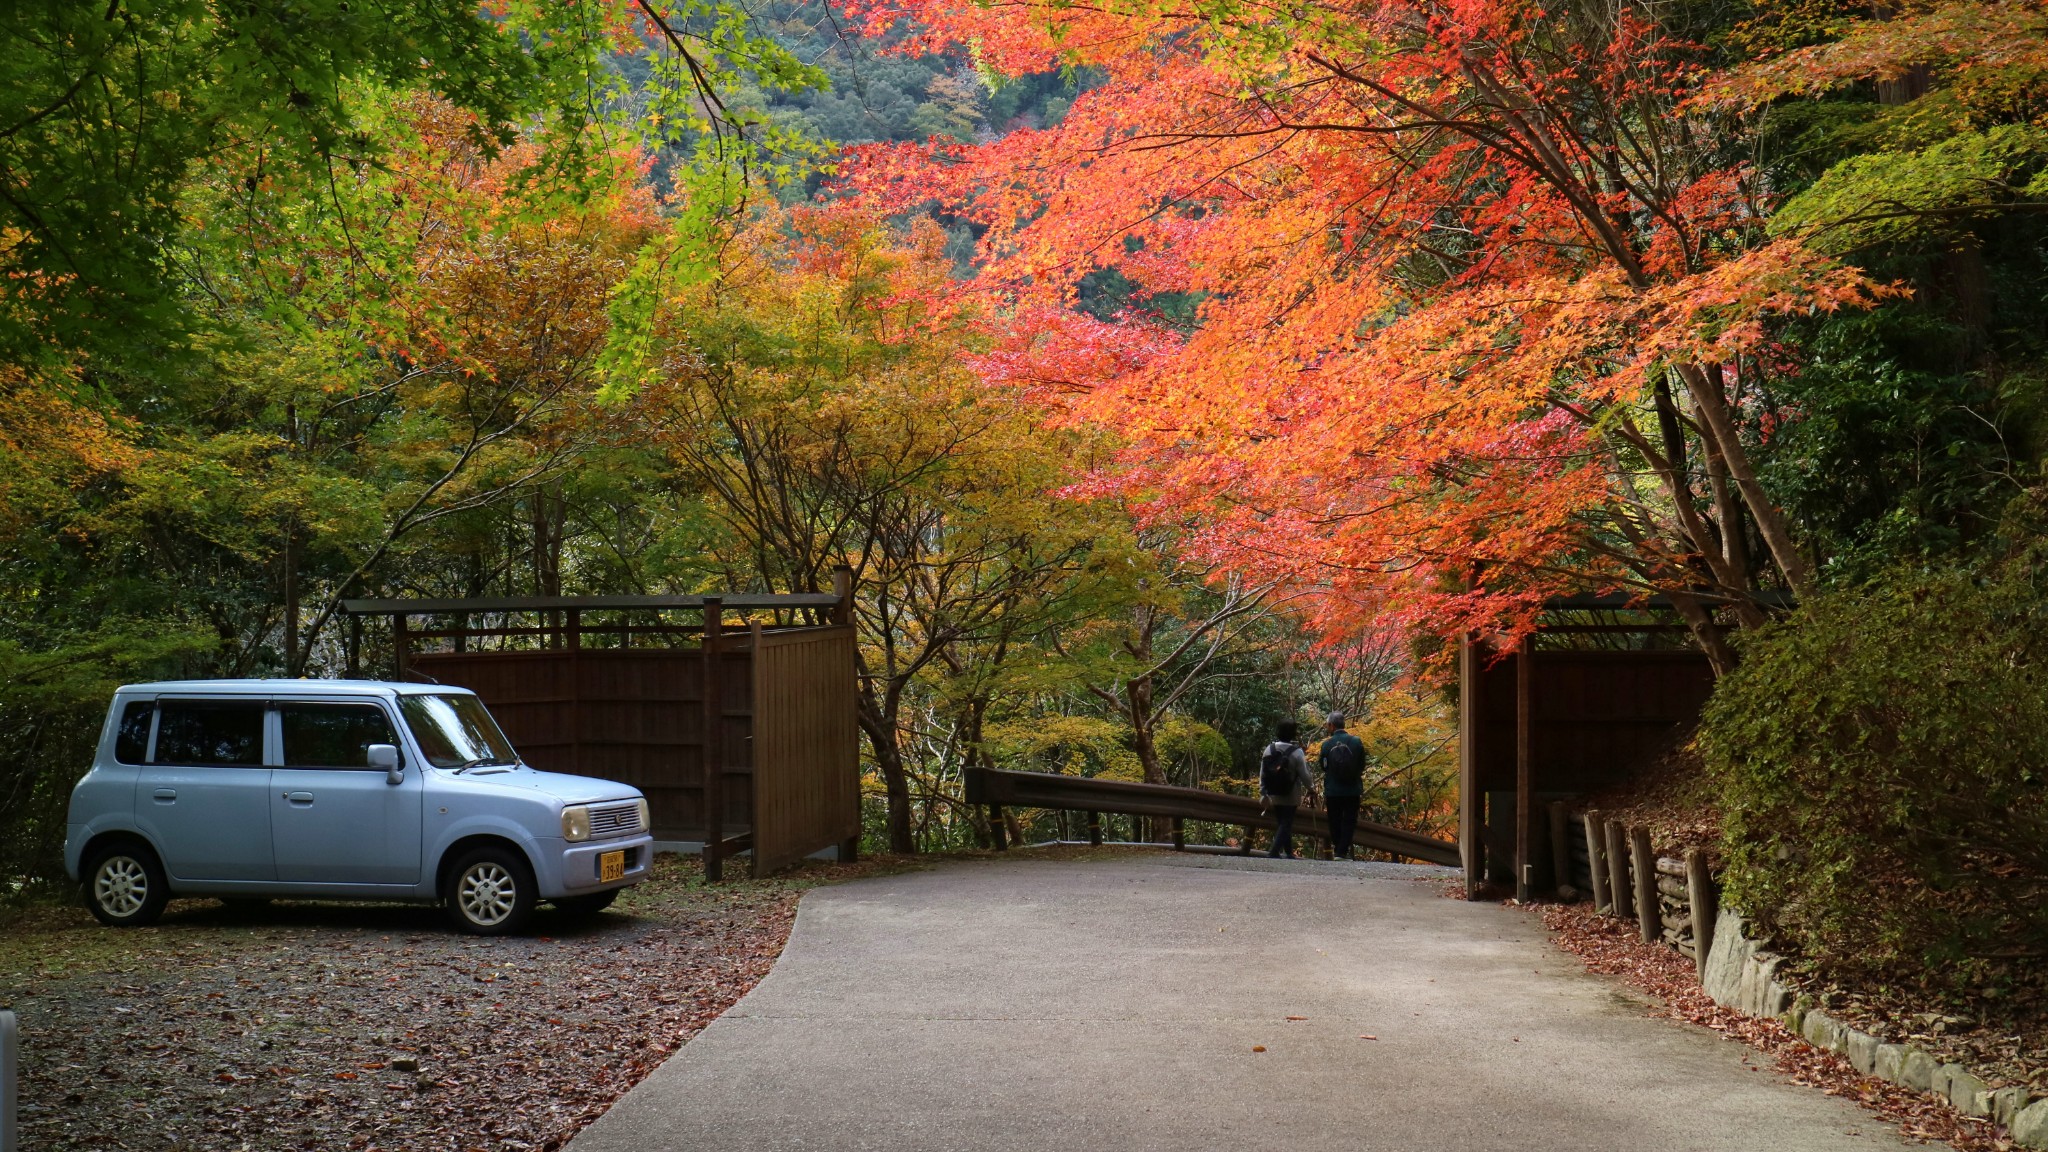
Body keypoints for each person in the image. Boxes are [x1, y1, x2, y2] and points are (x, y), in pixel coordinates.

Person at [1258, 720, 1314, 859]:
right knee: (1286, 821)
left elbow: (1263, 772)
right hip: (1291, 793)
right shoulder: (1297, 752)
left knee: (1282, 822)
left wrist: (1263, 789)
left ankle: (1289, 853)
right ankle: (1274, 852)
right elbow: (1304, 774)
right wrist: (1311, 788)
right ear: (1292, 734)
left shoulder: (1269, 749)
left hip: (1272, 792)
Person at [1318, 711, 1368, 858]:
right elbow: (1362, 764)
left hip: (1333, 789)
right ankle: (1342, 851)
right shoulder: (1356, 741)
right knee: (1349, 820)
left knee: (1334, 819)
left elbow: (1323, 766)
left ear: (1331, 725)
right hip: (1352, 789)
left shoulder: (1327, 745)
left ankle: (1338, 849)